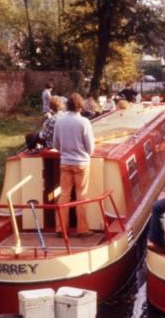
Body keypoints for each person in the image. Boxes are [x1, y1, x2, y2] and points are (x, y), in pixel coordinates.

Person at [53, 93, 96, 237]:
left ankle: (61, 229)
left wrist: (65, 152)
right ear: (81, 105)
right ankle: (82, 229)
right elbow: (90, 148)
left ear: (67, 105)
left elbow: (55, 144)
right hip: (81, 163)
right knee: (81, 196)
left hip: (65, 162)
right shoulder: (84, 122)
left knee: (64, 195)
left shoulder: (59, 121)